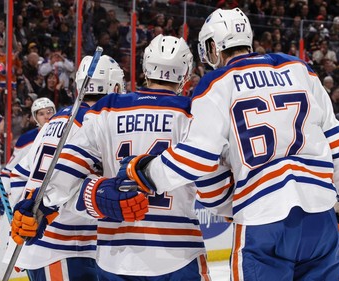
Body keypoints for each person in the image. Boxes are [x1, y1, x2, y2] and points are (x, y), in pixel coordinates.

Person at [116, 8, 339, 280]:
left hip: (263, 216)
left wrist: (146, 173)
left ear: (213, 46)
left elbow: (197, 156)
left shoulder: (218, 82)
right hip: (321, 214)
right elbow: (335, 140)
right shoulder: (300, 68)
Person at [11, 34, 212, 280]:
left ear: (145, 68)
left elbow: (67, 168)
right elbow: (213, 185)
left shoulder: (107, 110)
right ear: (185, 74)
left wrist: (39, 206)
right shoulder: (193, 112)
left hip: (114, 256)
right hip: (179, 252)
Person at [5, 55, 126, 281]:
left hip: (46, 245)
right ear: (115, 85)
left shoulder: (56, 120)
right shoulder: (96, 122)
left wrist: (22, 219)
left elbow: (20, 173)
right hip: (64, 246)